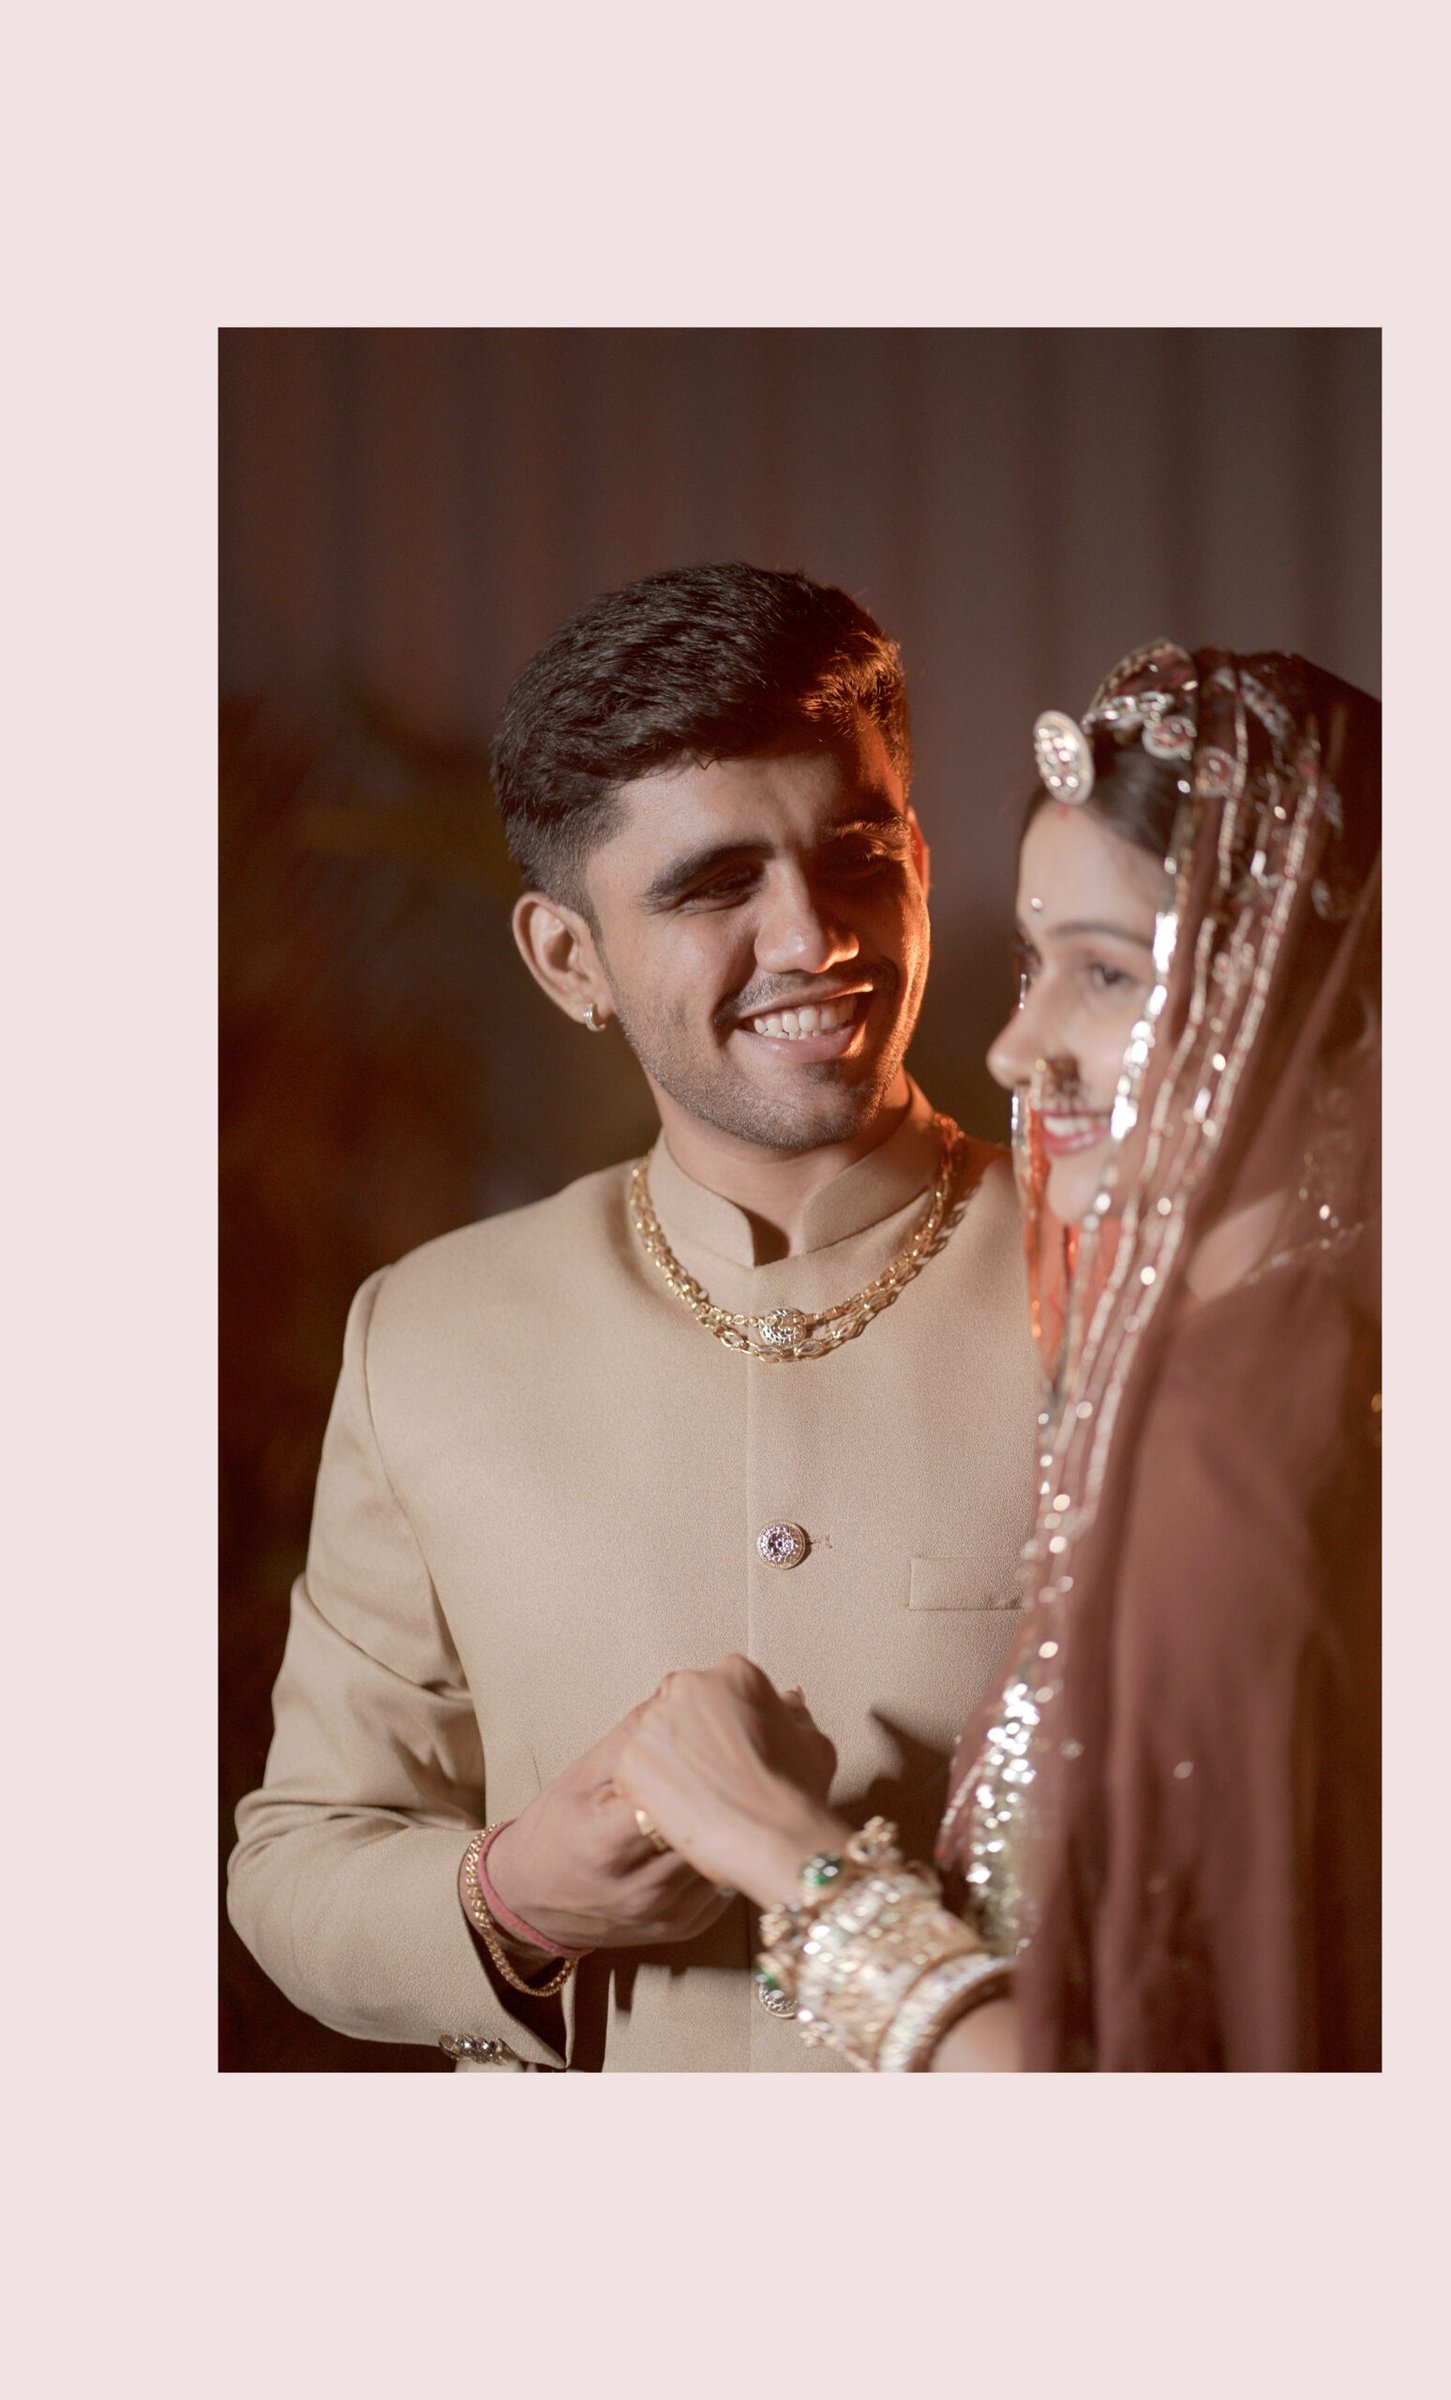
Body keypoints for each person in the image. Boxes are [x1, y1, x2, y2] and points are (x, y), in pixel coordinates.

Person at [227, 563, 1038, 2072]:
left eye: (856, 858)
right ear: (568, 958)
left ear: (919, 864)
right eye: (716, 885)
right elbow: (299, 1860)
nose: (812, 937)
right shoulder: (429, 1332)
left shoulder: (1139, 1292)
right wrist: (514, 1897)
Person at [611, 640, 1382, 2071]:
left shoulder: (1238, 1425)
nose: (1023, 1045)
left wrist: (785, 1854)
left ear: (1315, 991)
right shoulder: (1288, 1355)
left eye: (1109, 974)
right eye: (1036, 966)